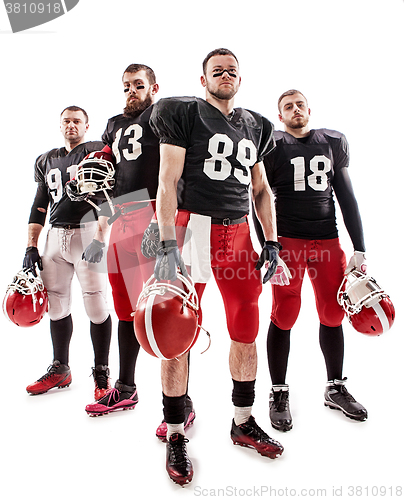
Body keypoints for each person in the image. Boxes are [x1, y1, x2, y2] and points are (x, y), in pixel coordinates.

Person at [150, 48, 284, 486]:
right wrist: (168, 240)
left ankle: (242, 421)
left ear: (240, 80)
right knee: (175, 332)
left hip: (240, 233)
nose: (225, 75)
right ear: (203, 78)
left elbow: (261, 189)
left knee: (246, 328)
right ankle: (174, 431)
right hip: (193, 229)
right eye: (216, 70)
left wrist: (272, 241)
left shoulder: (257, 124)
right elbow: (166, 180)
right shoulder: (185, 113)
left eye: (232, 71)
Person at [83, 64, 196, 438]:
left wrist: (164, 222)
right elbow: (104, 183)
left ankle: (183, 403)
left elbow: (178, 171)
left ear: (154, 87)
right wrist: (101, 234)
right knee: (125, 309)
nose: (132, 91)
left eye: (139, 85)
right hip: (122, 216)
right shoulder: (114, 124)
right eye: (127, 86)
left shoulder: (164, 114)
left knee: (167, 307)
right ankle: (127, 389)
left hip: (154, 213)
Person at [253, 89, 368, 432]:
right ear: (280, 117)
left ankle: (335, 387)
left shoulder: (331, 141)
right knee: (284, 314)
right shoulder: (272, 145)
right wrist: (269, 247)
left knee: (333, 314)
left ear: (309, 109)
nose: (295, 110)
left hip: (327, 241)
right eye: (287, 107)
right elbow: (257, 199)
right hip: (288, 242)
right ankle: (278, 392)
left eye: (300, 104)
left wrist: (359, 247)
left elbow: (346, 197)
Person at [23, 106, 112, 399]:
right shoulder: (47, 159)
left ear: (87, 125)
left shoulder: (97, 151)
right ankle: (60, 368)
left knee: (96, 306)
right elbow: (39, 205)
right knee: (56, 306)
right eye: (66, 121)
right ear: (60, 125)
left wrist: (100, 239)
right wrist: (30, 246)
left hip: (87, 233)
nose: (71, 125)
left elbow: (109, 197)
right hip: (55, 236)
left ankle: (101, 374)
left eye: (77, 121)